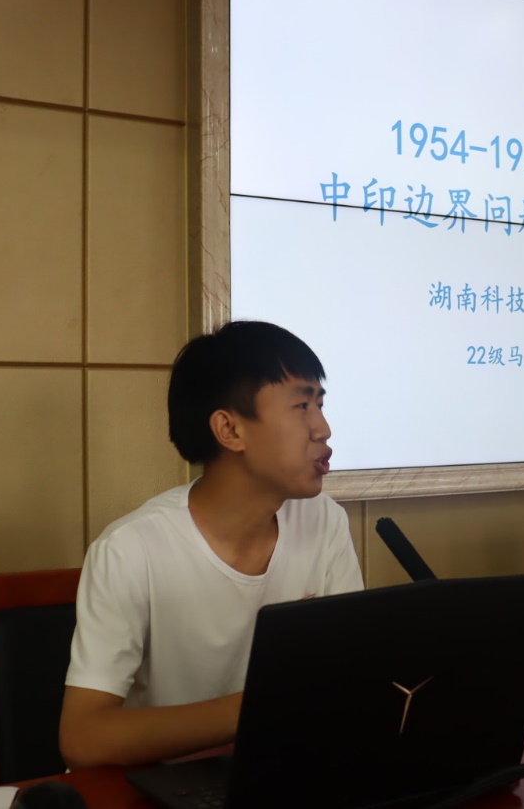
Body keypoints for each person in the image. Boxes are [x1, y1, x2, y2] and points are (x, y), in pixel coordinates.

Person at [59, 320, 363, 769]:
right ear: (229, 429)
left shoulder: (324, 521)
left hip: (281, 772)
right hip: (161, 787)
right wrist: (259, 705)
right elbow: (84, 738)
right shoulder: (130, 550)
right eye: (302, 406)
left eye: (320, 404)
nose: (323, 429)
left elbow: (351, 677)